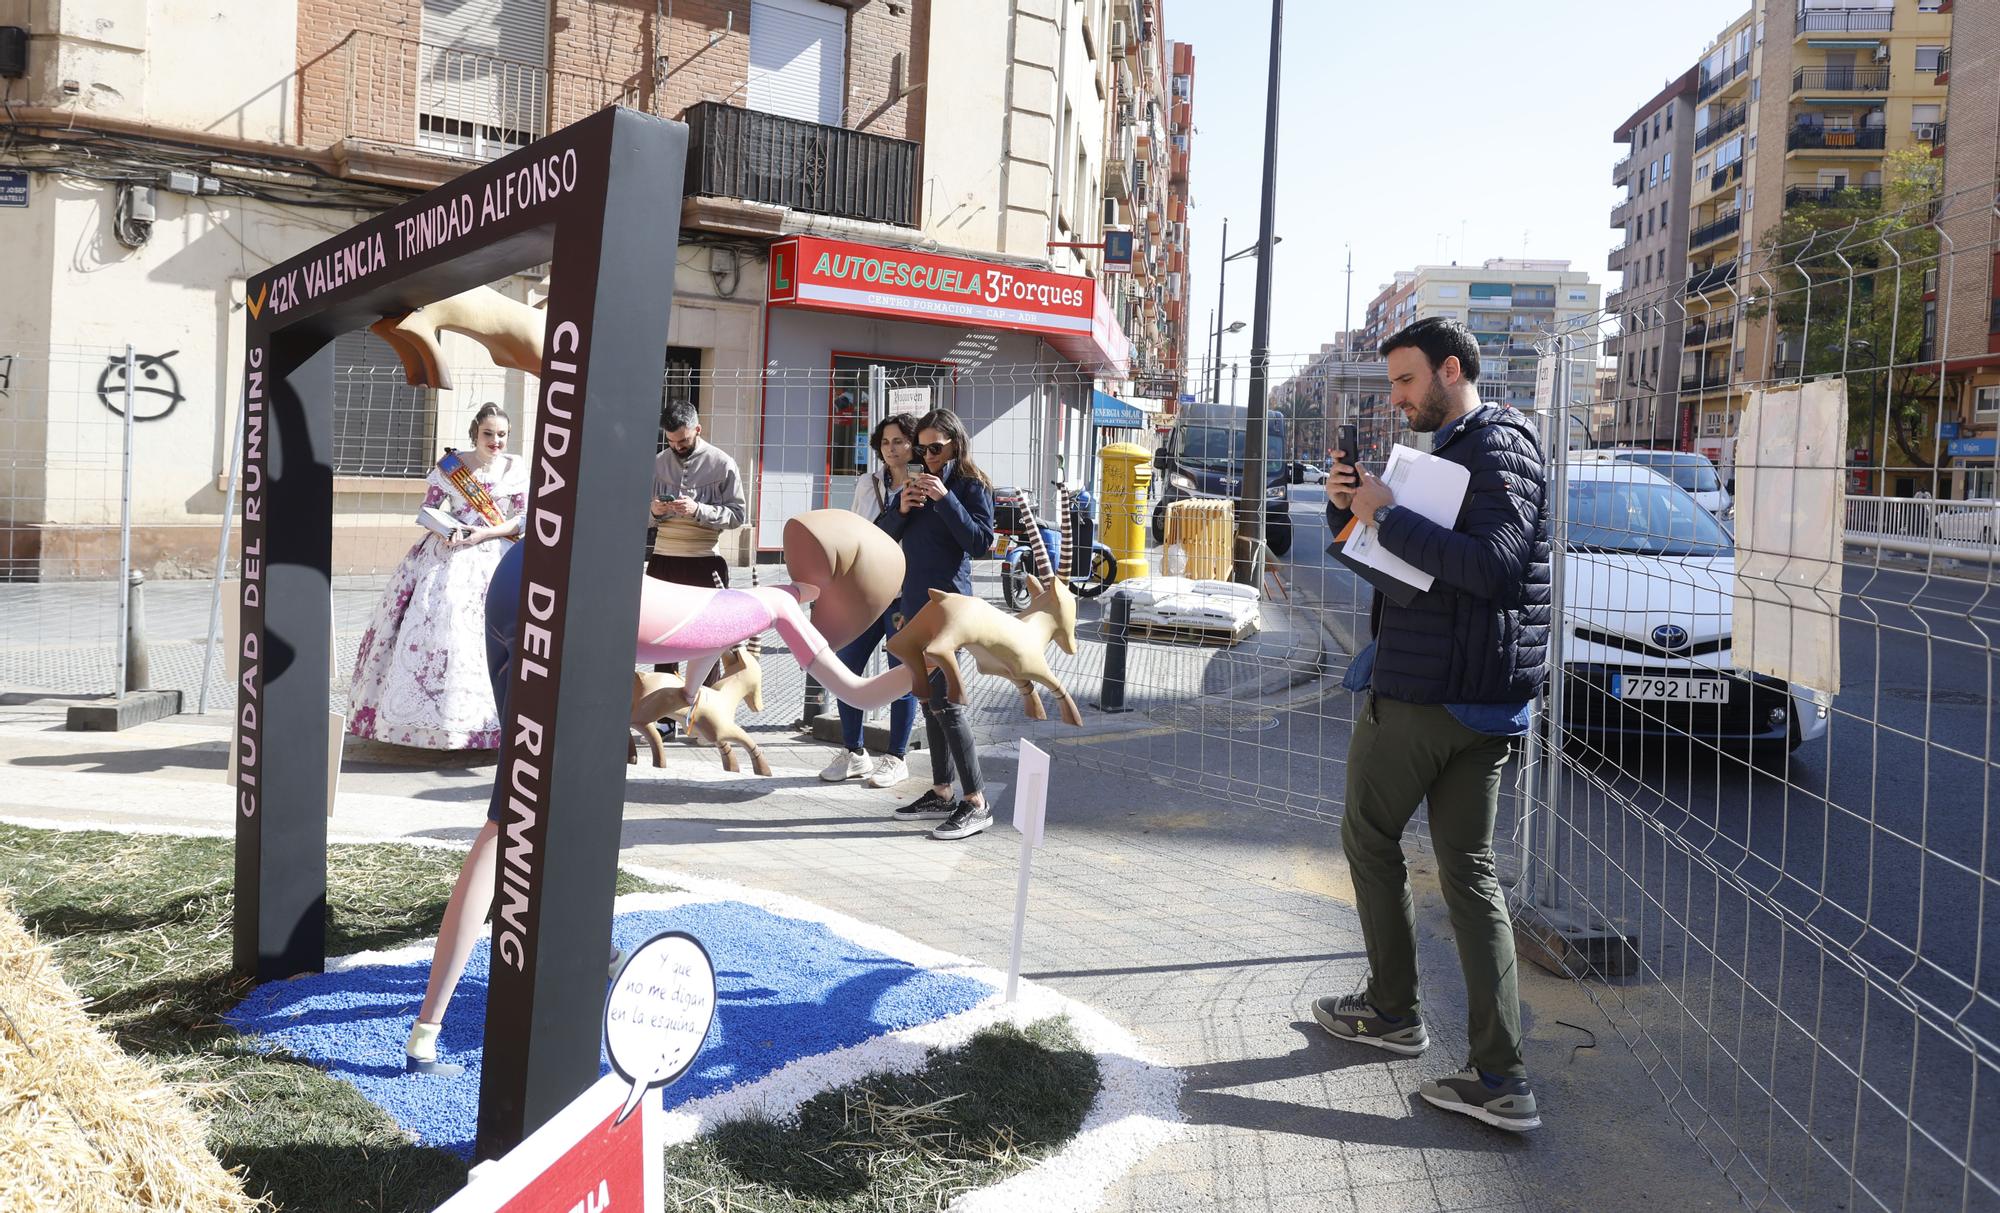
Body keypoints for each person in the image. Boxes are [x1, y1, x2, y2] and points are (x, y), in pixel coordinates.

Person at [1319, 316, 1551, 1132]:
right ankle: (1500, 1076)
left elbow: (1491, 566)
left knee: (1368, 836)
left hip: (1430, 696)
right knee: (1469, 873)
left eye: (1408, 380)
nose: (1398, 396)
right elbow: (1393, 566)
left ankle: (1391, 1010)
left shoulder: (1499, 446)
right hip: (1473, 697)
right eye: (1392, 384)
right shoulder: (1445, 453)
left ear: (1452, 369)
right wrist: (1348, 511)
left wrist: (1388, 513)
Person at [348, 403, 527, 750]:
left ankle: (490, 725)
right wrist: (445, 530)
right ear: (475, 433)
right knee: (442, 624)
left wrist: (485, 534)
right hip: (449, 551)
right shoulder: (451, 466)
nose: (495, 441)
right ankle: (432, 726)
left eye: (501, 435)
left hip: (496, 551)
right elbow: (428, 509)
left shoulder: (514, 467)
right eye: (488, 434)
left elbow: (522, 517)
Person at [877, 408, 997, 841]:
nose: (926, 456)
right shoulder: (910, 486)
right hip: (914, 605)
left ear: (955, 445)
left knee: (947, 702)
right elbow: (879, 538)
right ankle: (942, 790)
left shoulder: (969, 485)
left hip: (951, 607)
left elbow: (982, 543)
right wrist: (900, 512)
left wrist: (946, 499)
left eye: (934, 448)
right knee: (928, 699)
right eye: (921, 448)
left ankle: (976, 802)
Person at [820, 412, 922, 789]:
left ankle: (896, 757)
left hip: (903, 595)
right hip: (866, 592)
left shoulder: (924, 484)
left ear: (914, 444)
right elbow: (857, 530)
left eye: (899, 441)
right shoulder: (868, 483)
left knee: (901, 676)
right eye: (884, 442)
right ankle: (854, 752)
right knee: (845, 668)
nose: (891, 449)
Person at [646, 399, 747, 691]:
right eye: (672, 441)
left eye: (684, 440)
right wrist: (654, 511)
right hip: (664, 559)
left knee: (706, 640)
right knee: (663, 637)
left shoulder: (723, 463)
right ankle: (665, 716)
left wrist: (698, 510)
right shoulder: (657, 463)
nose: (678, 447)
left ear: (698, 429)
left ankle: (701, 714)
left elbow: (738, 515)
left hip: (704, 561)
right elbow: (637, 516)